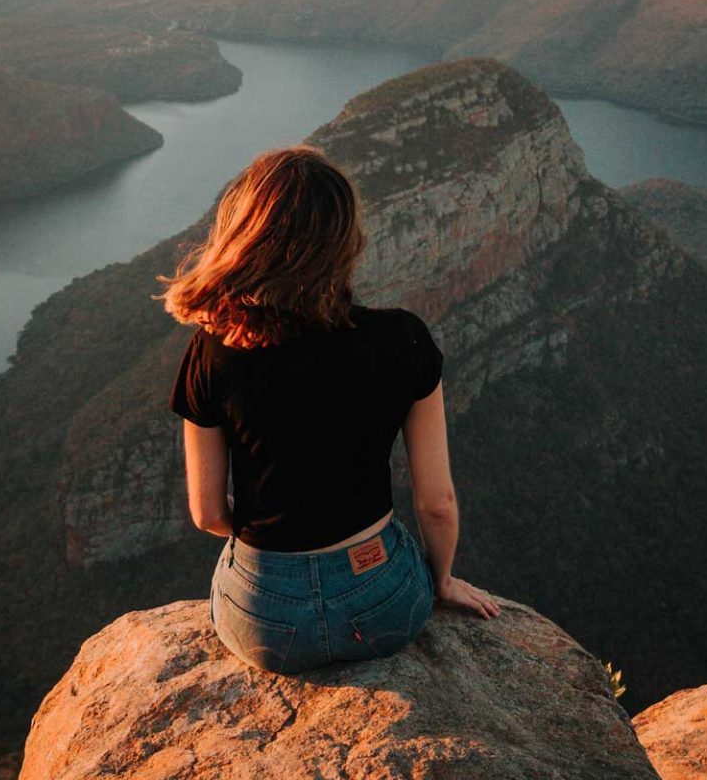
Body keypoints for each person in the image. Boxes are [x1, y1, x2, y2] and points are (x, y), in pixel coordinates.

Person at [159, 145, 498, 675]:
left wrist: (279, 555)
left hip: (263, 622)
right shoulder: (403, 339)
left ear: (243, 238)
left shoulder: (212, 350)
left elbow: (208, 515)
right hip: (383, 603)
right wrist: (444, 580)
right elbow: (436, 501)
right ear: (344, 243)